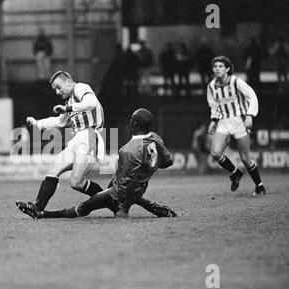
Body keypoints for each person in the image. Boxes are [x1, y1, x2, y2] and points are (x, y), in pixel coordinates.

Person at [17, 108, 177, 219]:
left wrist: (123, 210)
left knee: (81, 208)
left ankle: (43, 214)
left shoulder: (128, 150)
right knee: (112, 192)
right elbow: (167, 161)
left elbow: (124, 187)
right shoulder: (155, 138)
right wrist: (149, 168)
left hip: (121, 193)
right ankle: (153, 206)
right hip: (140, 188)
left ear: (134, 124)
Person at [16, 70, 106, 214]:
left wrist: (68, 108)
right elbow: (60, 122)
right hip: (78, 139)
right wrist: (37, 123)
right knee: (53, 169)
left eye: (59, 87)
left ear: (68, 82)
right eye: (55, 89)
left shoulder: (80, 88)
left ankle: (112, 202)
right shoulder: (69, 101)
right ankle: (37, 208)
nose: (57, 92)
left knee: (76, 183)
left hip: (89, 136)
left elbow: (92, 102)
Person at [207, 56, 266, 195]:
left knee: (245, 158)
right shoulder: (211, 86)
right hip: (223, 121)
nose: (217, 69)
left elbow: (252, 96)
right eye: (215, 67)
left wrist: (250, 115)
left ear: (227, 68)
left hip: (239, 121)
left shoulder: (236, 82)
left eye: (221, 66)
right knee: (215, 152)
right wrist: (213, 121)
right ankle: (235, 173)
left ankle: (259, 186)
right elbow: (214, 105)